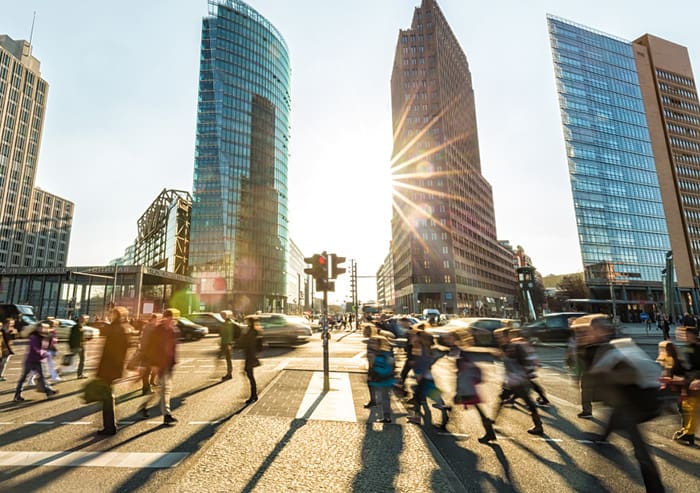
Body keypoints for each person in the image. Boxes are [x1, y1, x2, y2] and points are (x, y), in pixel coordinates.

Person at [590, 335, 665, 492]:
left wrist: (609, 379)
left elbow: (598, 371)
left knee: (639, 446)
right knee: (617, 413)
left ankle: (655, 488)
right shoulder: (638, 353)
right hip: (655, 399)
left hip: (637, 402)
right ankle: (603, 436)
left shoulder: (615, 353)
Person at [445, 329, 497, 443]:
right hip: (466, 384)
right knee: (458, 404)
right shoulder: (458, 350)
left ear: (455, 339)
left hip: (466, 385)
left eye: (449, 337)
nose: (447, 339)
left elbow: (465, 364)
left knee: (460, 404)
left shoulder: (460, 350)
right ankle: (490, 432)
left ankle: (489, 432)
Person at [492, 327, 544, 436]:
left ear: (508, 336)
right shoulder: (505, 347)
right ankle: (493, 421)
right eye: (498, 337)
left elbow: (525, 363)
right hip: (512, 381)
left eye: (501, 337)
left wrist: (525, 377)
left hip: (520, 381)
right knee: (501, 399)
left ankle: (538, 426)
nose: (499, 339)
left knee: (529, 403)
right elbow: (508, 365)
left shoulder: (516, 347)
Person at [140, 309, 179, 424]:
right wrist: (154, 364)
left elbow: (173, 348)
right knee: (164, 390)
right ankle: (167, 415)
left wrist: (174, 362)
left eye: (172, 319)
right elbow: (152, 348)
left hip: (168, 364)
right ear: (165, 318)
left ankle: (144, 407)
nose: (170, 320)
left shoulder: (171, 330)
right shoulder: (158, 330)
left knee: (163, 390)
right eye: (169, 318)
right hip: (160, 364)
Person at [95, 307, 131, 435]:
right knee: (108, 396)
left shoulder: (115, 329)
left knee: (107, 398)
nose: (110, 316)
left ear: (117, 315)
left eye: (112, 314)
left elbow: (108, 351)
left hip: (108, 367)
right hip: (114, 367)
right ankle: (110, 425)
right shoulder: (123, 328)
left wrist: (100, 369)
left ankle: (110, 426)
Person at [574, 314, 615, 419]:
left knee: (589, 390)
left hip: (593, 368)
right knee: (589, 390)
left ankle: (588, 410)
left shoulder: (598, 337)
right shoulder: (600, 336)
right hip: (593, 367)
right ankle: (587, 410)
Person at [14, 323, 57, 401]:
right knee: (23, 378)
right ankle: (17, 395)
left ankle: (48, 392)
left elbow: (50, 346)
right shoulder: (34, 337)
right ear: (38, 328)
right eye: (43, 328)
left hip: (40, 360)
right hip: (31, 360)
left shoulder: (47, 337)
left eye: (47, 328)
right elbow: (34, 349)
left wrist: (52, 351)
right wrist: (44, 353)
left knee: (42, 377)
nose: (45, 329)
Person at [674, 326, 700, 446]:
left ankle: (689, 433)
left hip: (696, 382)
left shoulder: (697, 348)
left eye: (686, 334)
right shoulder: (686, 348)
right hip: (689, 382)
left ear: (694, 335)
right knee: (687, 407)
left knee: (691, 407)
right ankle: (687, 431)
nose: (683, 337)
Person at [368, 335, 396, 423]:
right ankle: (386, 416)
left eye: (374, 343)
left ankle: (387, 417)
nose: (372, 345)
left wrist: (375, 374)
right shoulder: (384, 354)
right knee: (384, 398)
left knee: (384, 398)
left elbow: (382, 367)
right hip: (383, 379)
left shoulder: (382, 355)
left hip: (383, 380)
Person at [240, 317, 262, 404]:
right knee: (250, 376)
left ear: (250, 322)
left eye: (247, 321)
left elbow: (251, 346)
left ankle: (253, 395)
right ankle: (253, 395)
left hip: (250, 357)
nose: (246, 322)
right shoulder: (251, 331)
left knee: (251, 377)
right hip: (249, 356)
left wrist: (253, 359)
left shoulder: (251, 332)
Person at [139, 314, 160, 395]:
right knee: (147, 371)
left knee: (147, 371)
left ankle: (146, 387)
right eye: (156, 319)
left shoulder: (146, 327)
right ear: (154, 319)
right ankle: (146, 389)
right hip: (149, 352)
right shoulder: (151, 328)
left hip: (146, 351)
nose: (157, 321)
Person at [69, 315, 88, 379]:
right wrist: (71, 346)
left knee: (82, 360)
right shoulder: (76, 327)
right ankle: (59, 370)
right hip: (77, 346)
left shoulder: (81, 327)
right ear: (80, 319)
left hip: (81, 346)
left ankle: (80, 374)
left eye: (85, 319)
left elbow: (81, 337)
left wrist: (84, 341)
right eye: (83, 319)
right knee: (70, 360)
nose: (84, 320)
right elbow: (71, 338)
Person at [219, 310, 236, 381]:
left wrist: (228, 344)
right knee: (227, 359)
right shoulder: (229, 322)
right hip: (227, 343)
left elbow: (227, 335)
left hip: (227, 344)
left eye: (222, 315)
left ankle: (229, 374)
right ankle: (229, 373)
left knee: (228, 359)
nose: (221, 317)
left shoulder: (227, 324)